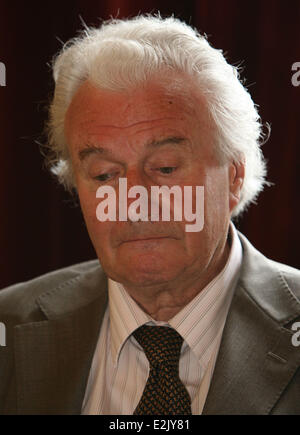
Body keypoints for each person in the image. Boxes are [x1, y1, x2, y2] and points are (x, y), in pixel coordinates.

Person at [0, 14, 299, 415]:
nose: (133, 201)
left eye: (165, 168)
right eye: (105, 174)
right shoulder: (10, 327)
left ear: (233, 174)